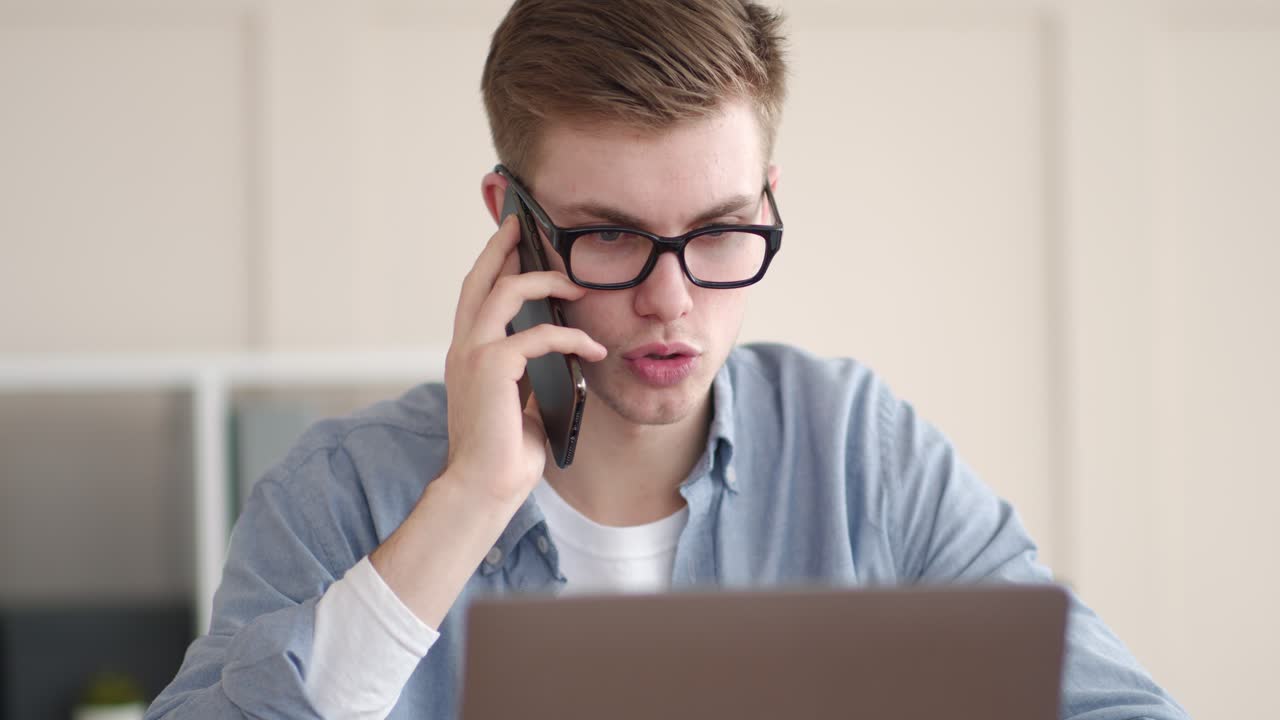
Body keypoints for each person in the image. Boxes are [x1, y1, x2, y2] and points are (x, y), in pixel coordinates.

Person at [147, 1, 1188, 718]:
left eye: (722, 231)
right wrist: (464, 504)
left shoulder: (859, 452)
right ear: (512, 224)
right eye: (609, 235)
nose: (670, 300)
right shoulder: (339, 494)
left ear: (768, 202)